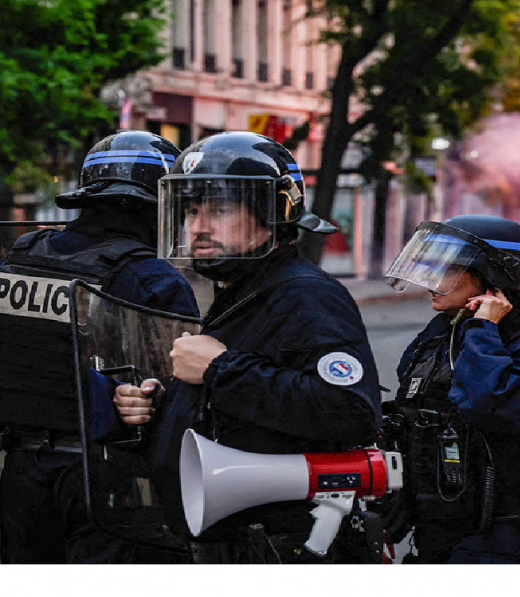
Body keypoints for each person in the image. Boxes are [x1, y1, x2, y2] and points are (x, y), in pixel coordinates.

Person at [112, 131, 383, 564]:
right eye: (192, 209)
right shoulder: (244, 289)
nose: (198, 226)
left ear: (273, 211)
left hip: (285, 546)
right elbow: (246, 406)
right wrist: (163, 404)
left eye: (219, 209)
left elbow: (350, 410)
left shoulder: (305, 295)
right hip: (237, 540)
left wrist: (219, 369)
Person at [0, 130, 201, 563]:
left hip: (22, 475)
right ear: (157, 206)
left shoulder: (18, 260)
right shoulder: (152, 277)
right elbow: (179, 398)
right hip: (108, 479)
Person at [380, 214, 520, 564]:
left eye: (447, 270)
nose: (431, 281)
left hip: (500, 538)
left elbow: (492, 405)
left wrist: (483, 329)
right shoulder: (441, 334)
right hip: (437, 530)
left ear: (492, 276)